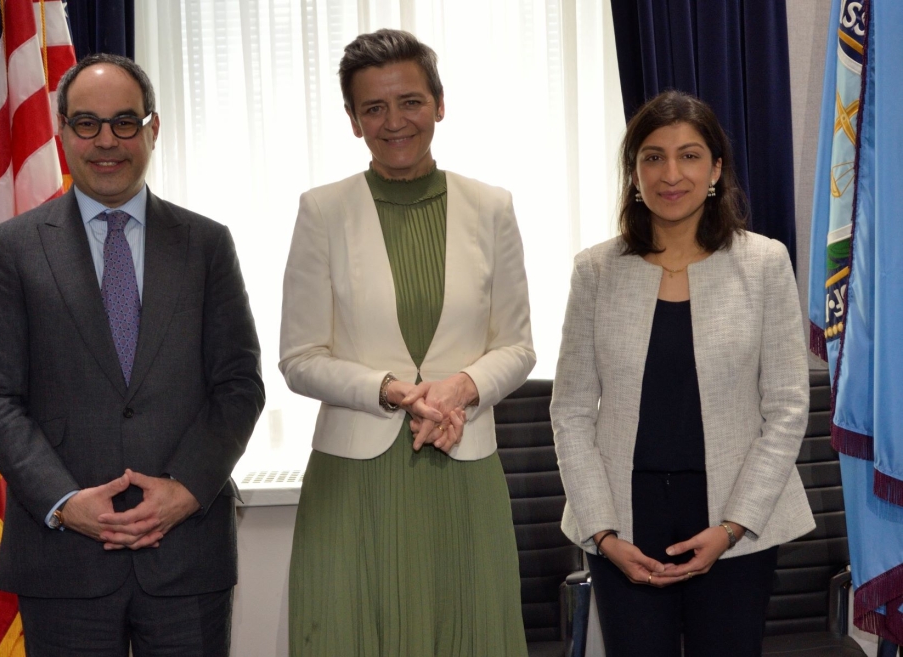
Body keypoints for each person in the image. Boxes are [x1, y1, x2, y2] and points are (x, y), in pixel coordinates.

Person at [0, 53, 264, 656]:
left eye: (125, 122)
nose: (107, 141)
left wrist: (185, 489)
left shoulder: (207, 244)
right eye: (87, 123)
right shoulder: (12, 248)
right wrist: (64, 501)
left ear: (152, 130)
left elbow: (238, 386)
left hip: (186, 559)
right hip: (63, 561)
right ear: (61, 131)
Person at [279, 28, 535, 657]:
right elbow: (299, 357)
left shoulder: (492, 207)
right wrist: (389, 391)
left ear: (439, 104)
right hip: (353, 482)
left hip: (462, 461)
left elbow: (518, 345)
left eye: (411, 102)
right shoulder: (322, 211)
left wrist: (461, 389)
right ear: (353, 120)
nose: (394, 122)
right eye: (373, 108)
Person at [550, 90, 815, 657]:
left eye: (690, 155)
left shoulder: (765, 263)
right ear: (634, 173)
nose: (671, 173)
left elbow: (788, 409)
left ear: (716, 168)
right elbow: (570, 412)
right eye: (652, 156)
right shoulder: (595, 271)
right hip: (624, 520)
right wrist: (603, 532)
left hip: (732, 519)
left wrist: (732, 527)